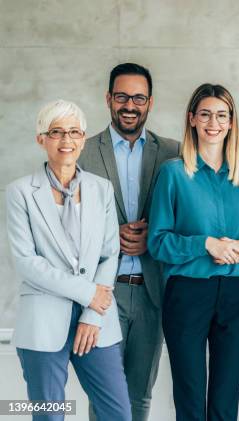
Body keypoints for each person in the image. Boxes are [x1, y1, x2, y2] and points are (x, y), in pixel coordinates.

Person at [6, 99, 131, 420]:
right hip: (42, 322)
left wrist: (92, 312)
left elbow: (109, 253)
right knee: (49, 415)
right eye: (56, 132)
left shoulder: (101, 189)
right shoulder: (20, 192)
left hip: (97, 320)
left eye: (74, 132)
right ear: (41, 139)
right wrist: (87, 292)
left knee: (117, 413)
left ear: (83, 138)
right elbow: (26, 262)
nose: (66, 141)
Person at [148, 83, 239, 421]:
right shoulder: (173, 173)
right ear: (192, 119)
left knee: (226, 397)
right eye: (206, 114)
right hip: (187, 293)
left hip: (237, 293)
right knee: (190, 396)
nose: (214, 122)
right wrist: (205, 243)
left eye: (222, 115)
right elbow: (157, 241)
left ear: (231, 122)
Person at [79, 63, 180, 421]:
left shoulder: (174, 153)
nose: (129, 105)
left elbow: (186, 220)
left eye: (138, 97)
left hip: (153, 292)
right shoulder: (83, 152)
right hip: (103, 294)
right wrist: (111, 236)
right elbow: (65, 226)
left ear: (150, 102)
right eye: (121, 96)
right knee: (105, 395)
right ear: (108, 99)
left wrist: (151, 237)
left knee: (140, 396)